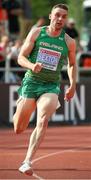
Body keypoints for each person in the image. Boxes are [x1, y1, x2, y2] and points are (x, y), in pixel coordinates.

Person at [13, 3, 77, 176]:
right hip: (31, 82)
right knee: (18, 128)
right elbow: (21, 57)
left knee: (43, 120)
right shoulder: (36, 33)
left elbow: (72, 64)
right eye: (57, 15)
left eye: (64, 16)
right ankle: (20, 107)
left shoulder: (69, 42)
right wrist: (32, 66)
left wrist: (72, 84)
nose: (60, 19)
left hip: (50, 85)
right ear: (50, 16)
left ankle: (26, 161)